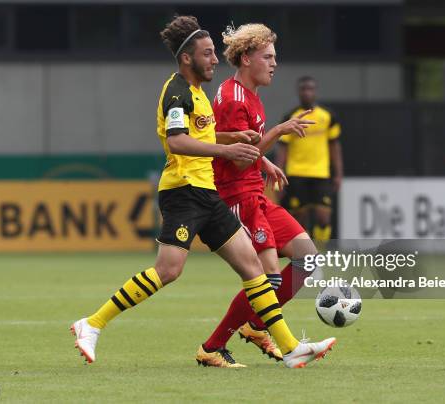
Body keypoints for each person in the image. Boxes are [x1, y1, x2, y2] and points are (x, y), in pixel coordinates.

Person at [70, 15, 335, 369]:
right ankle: (93, 323)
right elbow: (178, 141)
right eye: (208, 54)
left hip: (207, 193)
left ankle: (289, 348)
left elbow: (204, 134)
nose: (214, 60)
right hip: (183, 192)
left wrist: (235, 141)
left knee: (255, 271)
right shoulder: (177, 91)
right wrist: (231, 149)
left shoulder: (197, 93)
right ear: (186, 58)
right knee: (169, 270)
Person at [195, 23, 329, 367]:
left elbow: (245, 145)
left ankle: (257, 324)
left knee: (308, 258)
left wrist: (265, 162)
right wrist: (280, 132)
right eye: (267, 57)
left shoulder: (249, 96)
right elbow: (237, 159)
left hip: (255, 192)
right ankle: (213, 346)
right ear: (245, 58)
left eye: (274, 57)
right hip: (236, 196)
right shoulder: (232, 99)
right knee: (265, 277)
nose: (274, 64)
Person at [276, 76, 344, 243]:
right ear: (299, 92)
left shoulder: (327, 117)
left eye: (310, 89)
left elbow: (334, 146)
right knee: (300, 221)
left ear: (315, 92)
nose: (307, 92)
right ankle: (305, 257)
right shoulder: (291, 117)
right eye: (304, 89)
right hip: (297, 173)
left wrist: (338, 174)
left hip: (320, 173)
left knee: (323, 219)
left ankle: (319, 256)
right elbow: (282, 147)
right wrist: (278, 175)